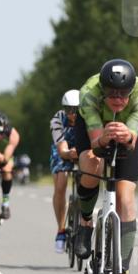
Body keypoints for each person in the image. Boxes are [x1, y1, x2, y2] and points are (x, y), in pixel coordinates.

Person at [74, 59, 138, 274]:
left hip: (126, 132)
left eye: (123, 95)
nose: (118, 99)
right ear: (102, 90)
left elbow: (133, 136)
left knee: (125, 198)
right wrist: (103, 137)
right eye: (111, 94)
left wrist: (127, 135)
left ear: (131, 90)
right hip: (92, 131)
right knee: (91, 165)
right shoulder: (88, 93)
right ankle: (85, 222)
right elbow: (95, 142)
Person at [50, 89, 81, 253]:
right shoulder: (57, 120)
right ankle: (61, 229)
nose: (72, 114)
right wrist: (70, 154)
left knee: (88, 179)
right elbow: (62, 149)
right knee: (61, 183)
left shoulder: (88, 117)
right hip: (63, 150)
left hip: (82, 149)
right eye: (69, 109)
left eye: (76, 109)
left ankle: (84, 223)